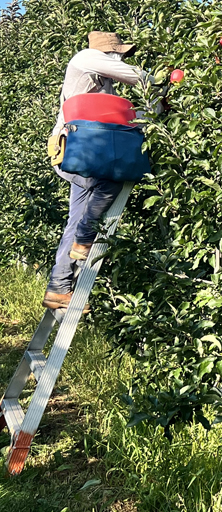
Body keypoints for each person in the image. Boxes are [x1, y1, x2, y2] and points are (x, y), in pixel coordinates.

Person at [42, 32, 151, 311]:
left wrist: (153, 111)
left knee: (74, 222)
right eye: (120, 54)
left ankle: (58, 288)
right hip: (77, 152)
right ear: (109, 53)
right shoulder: (87, 58)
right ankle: (85, 237)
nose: (122, 59)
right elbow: (138, 77)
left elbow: (115, 116)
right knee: (115, 177)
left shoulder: (103, 85)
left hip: (82, 155)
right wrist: (163, 82)